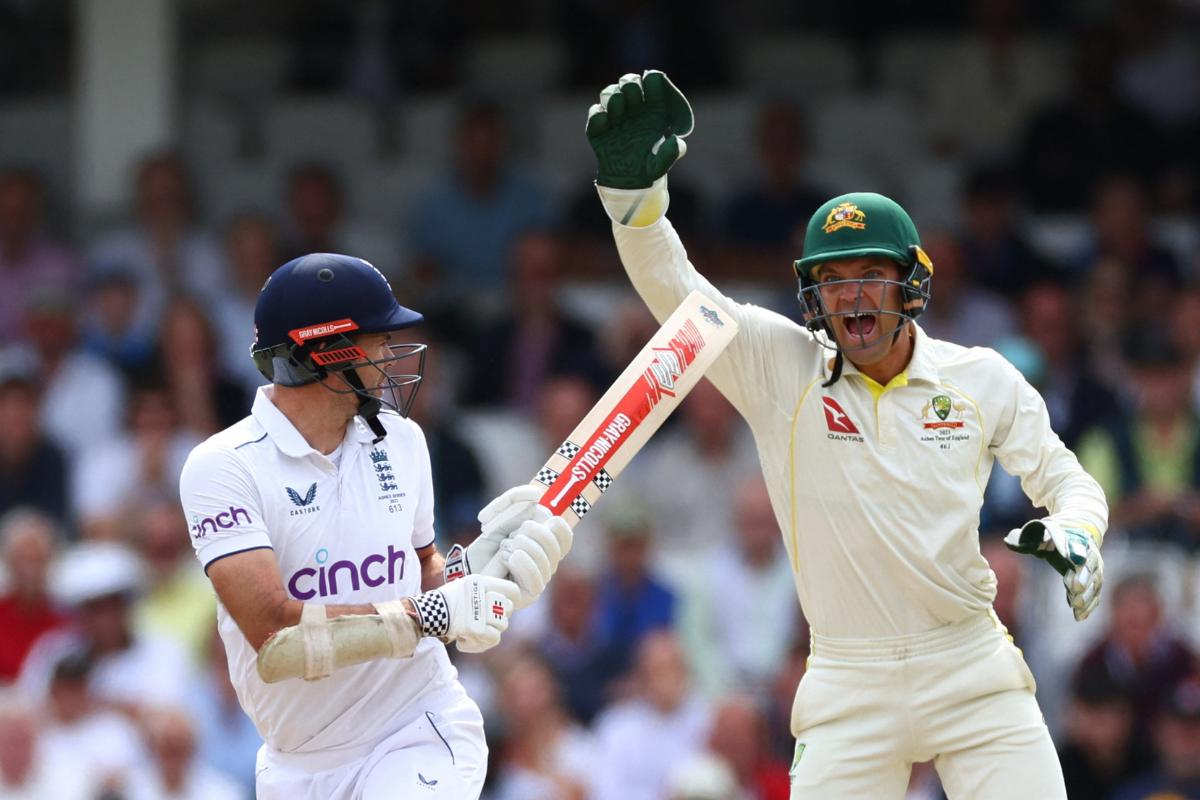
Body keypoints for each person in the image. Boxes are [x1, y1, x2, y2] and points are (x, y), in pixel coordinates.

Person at [583, 70, 1109, 798]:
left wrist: (1078, 528)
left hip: (970, 663)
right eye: (832, 279)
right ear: (813, 294)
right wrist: (634, 206)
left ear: (909, 285)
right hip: (847, 679)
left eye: (869, 274)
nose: (852, 294)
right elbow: (678, 293)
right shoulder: (779, 367)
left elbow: (1065, 478)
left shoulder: (979, 376)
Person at [177, 253, 572, 799]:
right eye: (377, 339)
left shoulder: (402, 440)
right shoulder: (224, 465)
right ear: (325, 351)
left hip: (416, 728)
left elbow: (420, 568)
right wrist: (431, 612)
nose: (391, 353)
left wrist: (476, 574)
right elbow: (275, 634)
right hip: (296, 764)